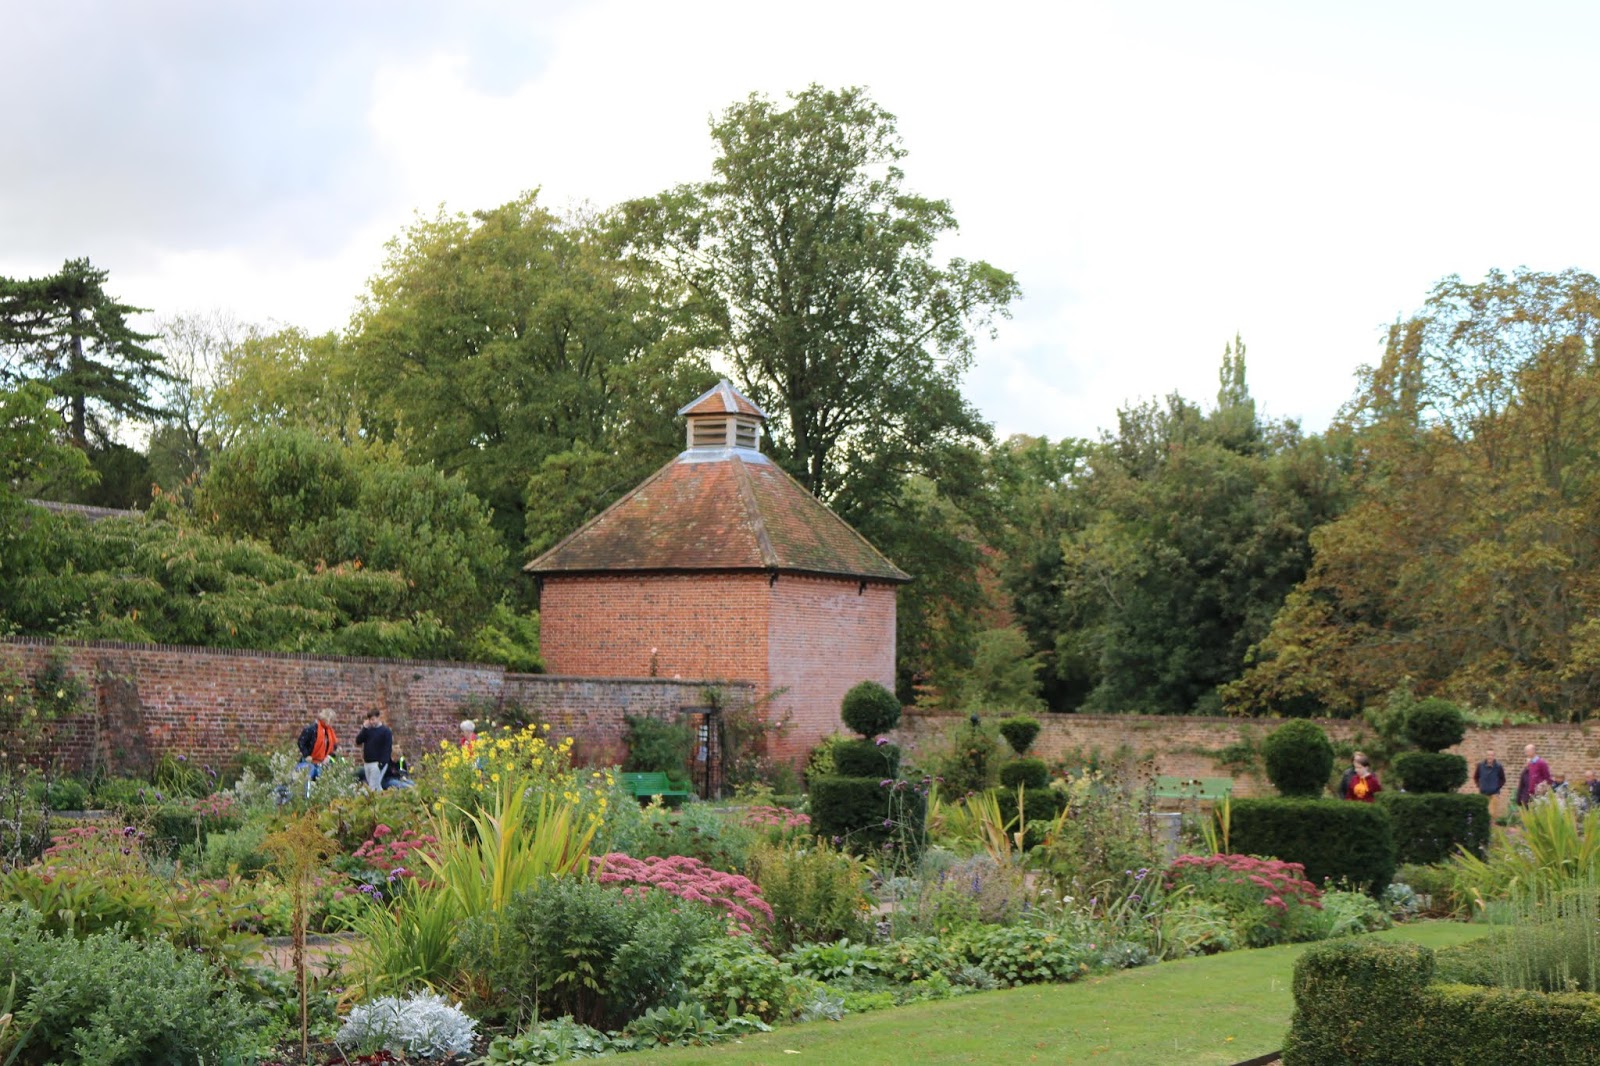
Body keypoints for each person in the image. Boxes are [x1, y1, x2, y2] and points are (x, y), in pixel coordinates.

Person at [354, 709, 394, 791]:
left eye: (373, 719)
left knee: (373, 786)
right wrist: (364, 728)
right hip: (367, 762)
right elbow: (358, 741)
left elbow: (387, 749)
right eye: (370, 720)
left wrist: (382, 763)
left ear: (378, 718)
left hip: (377, 763)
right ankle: (382, 800)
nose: (371, 722)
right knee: (375, 786)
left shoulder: (385, 731)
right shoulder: (368, 731)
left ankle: (374, 802)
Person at [295, 710, 338, 781]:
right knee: (307, 779)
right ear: (326, 719)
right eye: (331, 721)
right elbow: (301, 741)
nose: (331, 723)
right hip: (309, 761)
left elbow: (334, 746)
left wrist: (329, 756)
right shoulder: (312, 729)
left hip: (322, 763)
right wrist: (306, 755)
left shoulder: (330, 732)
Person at [1473, 748, 1506, 818]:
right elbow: (1476, 777)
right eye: (1488, 755)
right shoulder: (1480, 765)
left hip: (1494, 794)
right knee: (1483, 813)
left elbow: (1503, 779)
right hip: (1483, 794)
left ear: (1494, 756)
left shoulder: (1498, 766)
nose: (1490, 757)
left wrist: (1497, 787)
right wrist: (1479, 786)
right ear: (1486, 756)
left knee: (1492, 814)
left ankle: (1491, 828)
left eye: (1491, 755)